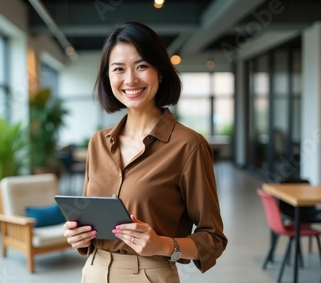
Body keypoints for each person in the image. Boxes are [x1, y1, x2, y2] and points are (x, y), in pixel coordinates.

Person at [63, 21, 227, 283]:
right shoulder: (98, 143)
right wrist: (78, 236)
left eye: (142, 66)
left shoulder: (188, 145)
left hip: (150, 275)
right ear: (108, 77)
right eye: (118, 69)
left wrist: (162, 244)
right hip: (93, 272)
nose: (130, 79)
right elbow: (88, 218)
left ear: (160, 73)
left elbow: (213, 239)